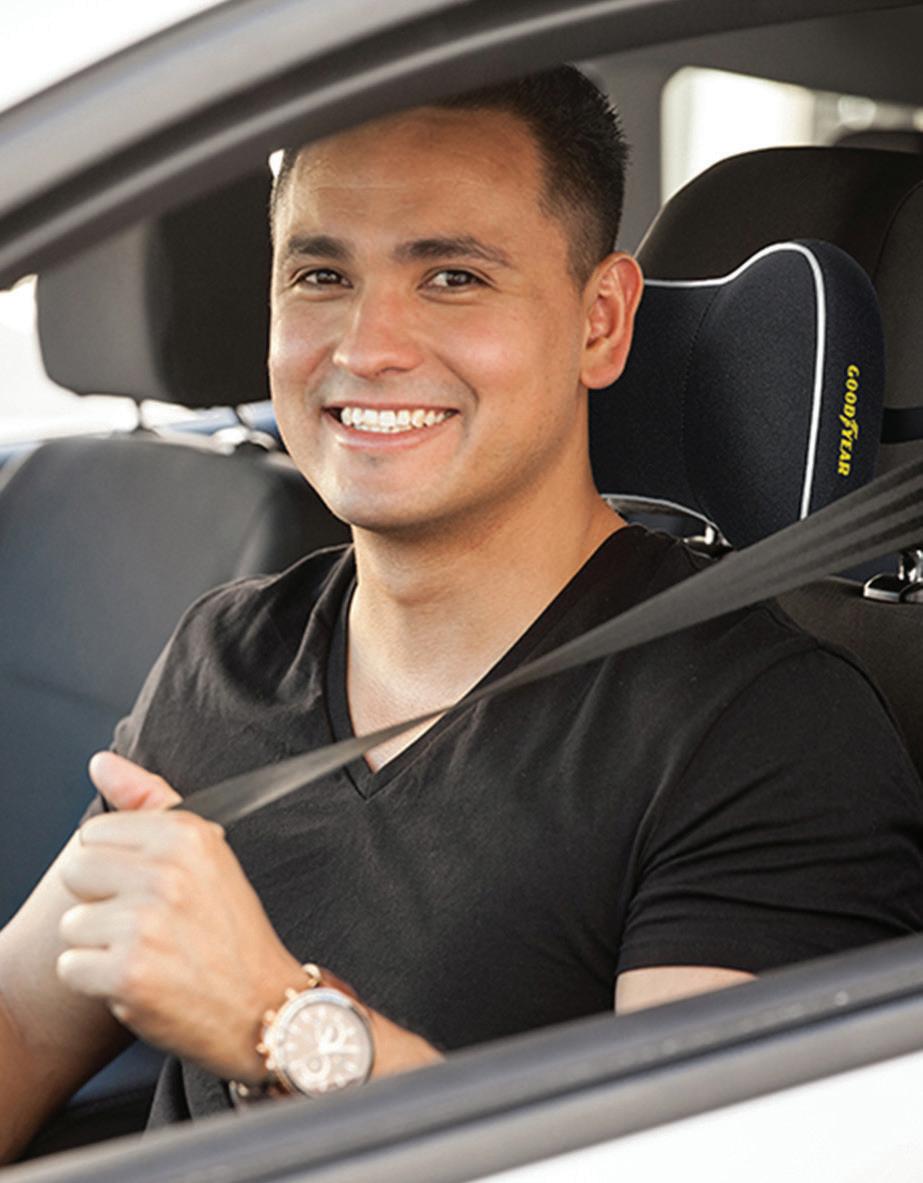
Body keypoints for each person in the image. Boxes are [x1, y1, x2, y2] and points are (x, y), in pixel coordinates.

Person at [2, 65, 923, 1152]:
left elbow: (685, 1166)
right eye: (320, 275)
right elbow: (20, 1021)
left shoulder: (766, 732)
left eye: (451, 277)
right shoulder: (228, 651)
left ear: (600, 321)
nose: (367, 346)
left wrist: (281, 1024)